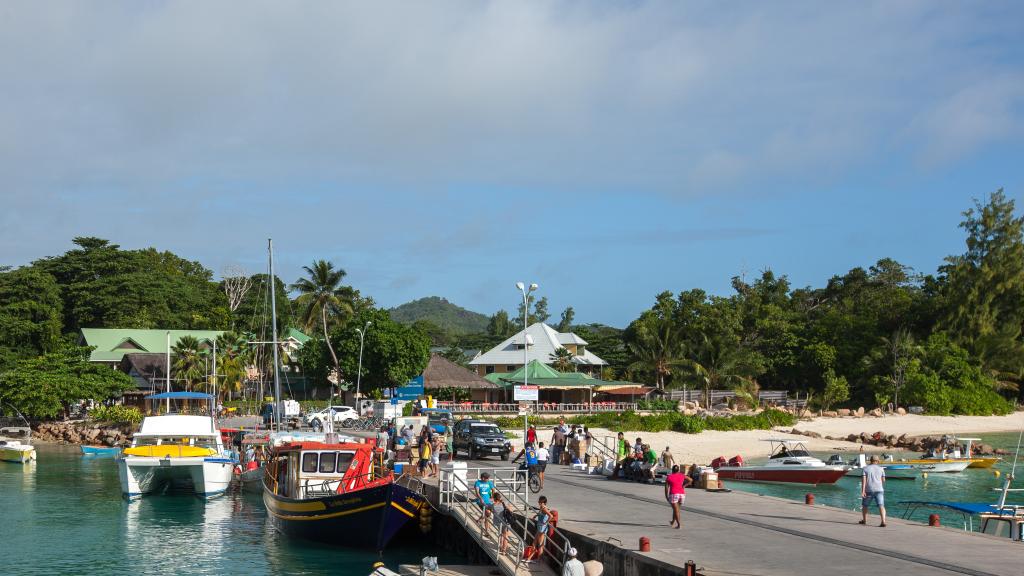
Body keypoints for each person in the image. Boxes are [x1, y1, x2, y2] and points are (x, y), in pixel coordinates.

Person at [859, 455, 887, 527]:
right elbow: (883, 480)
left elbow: (863, 481)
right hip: (879, 489)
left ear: (870, 461)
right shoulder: (881, 469)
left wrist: (863, 491)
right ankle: (883, 521)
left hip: (869, 490)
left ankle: (864, 520)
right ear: (877, 461)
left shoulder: (865, 469)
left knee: (865, 505)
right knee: (881, 505)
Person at [527, 495, 551, 564]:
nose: (539, 503)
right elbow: (541, 515)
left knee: (540, 544)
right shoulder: (541, 508)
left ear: (543, 502)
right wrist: (536, 516)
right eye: (539, 502)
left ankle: (538, 559)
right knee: (535, 542)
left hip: (542, 528)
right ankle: (531, 557)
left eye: (540, 502)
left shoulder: (544, 508)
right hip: (539, 527)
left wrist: (545, 523)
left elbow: (550, 516)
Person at [664, 464, 690, 529]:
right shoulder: (682, 475)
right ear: (678, 470)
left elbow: (666, 488)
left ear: (672, 470)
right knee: (676, 509)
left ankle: (679, 525)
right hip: (682, 494)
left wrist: (666, 496)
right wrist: (684, 486)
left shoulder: (669, 477)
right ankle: (673, 521)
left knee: (676, 510)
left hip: (674, 494)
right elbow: (691, 480)